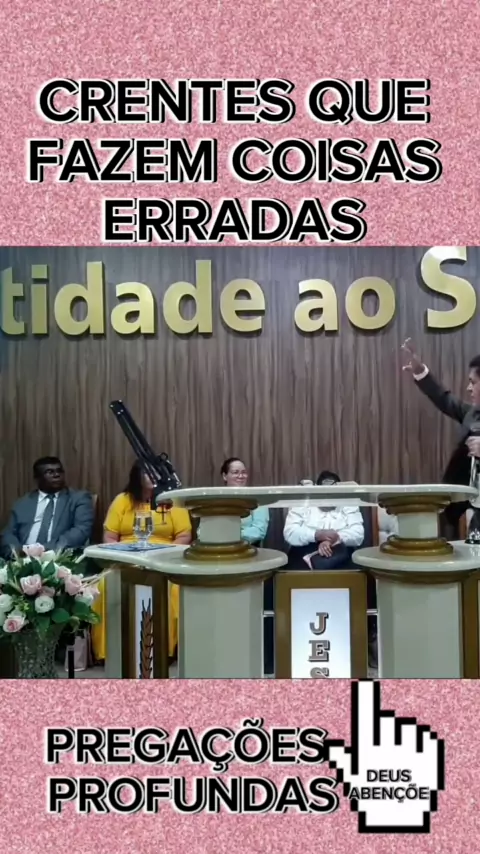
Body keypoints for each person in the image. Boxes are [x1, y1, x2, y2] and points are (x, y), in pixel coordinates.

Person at [91, 459, 192, 663]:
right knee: (103, 585)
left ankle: (164, 650)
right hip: (126, 558)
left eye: (157, 473)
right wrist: (121, 556)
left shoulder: (172, 499)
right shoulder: (123, 500)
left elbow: (184, 536)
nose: (154, 478)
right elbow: (109, 537)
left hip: (163, 559)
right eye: (148, 473)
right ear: (137, 476)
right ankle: (108, 651)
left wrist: (165, 556)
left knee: (174, 588)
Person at [402, 338, 480, 537]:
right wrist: (421, 372)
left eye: (473, 382)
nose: (468, 388)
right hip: (467, 507)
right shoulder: (472, 414)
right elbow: (444, 399)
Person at [0, 456, 94, 559]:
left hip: (59, 558)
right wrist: (18, 552)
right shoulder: (23, 503)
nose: (56, 475)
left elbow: (81, 531)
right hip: (22, 558)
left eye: (59, 471)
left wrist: (44, 549)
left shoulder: (78, 498)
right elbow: (8, 533)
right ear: (37, 478)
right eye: (50, 472)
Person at [283, 470, 364, 569]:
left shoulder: (348, 501)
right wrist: (316, 535)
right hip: (304, 550)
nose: (328, 496)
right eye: (324, 492)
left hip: (340, 549)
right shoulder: (303, 499)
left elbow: (358, 534)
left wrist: (334, 539)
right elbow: (290, 532)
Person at [220, 457, 270, 543]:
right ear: (225, 476)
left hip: (248, 547)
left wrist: (230, 535)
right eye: (235, 472)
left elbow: (259, 531)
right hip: (216, 547)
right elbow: (201, 531)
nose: (241, 476)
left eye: (243, 472)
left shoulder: (257, 499)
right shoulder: (215, 499)